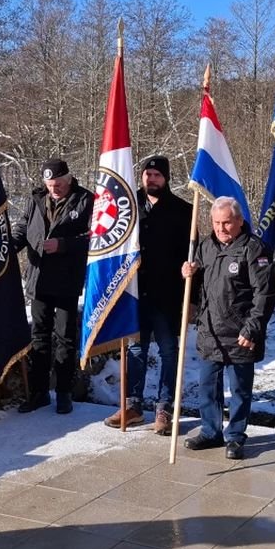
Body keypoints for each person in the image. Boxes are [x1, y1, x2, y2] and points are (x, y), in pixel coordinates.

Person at [181, 197, 275, 460]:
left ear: (239, 221)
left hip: (240, 332)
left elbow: (265, 294)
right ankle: (211, 431)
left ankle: (235, 436)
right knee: (208, 386)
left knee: (239, 389)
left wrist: (253, 328)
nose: (221, 228)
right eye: (216, 223)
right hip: (210, 330)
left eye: (226, 223)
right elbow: (199, 282)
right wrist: (189, 271)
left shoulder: (254, 249)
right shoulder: (206, 246)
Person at [103, 155, 193, 434]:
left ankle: (164, 407)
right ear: (140, 177)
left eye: (157, 175)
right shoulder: (126, 208)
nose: (151, 179)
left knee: (168, 351)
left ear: (165, 178)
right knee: (135, 350)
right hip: (134, 294)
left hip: (168, 295)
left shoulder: (183, 210)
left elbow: (193, 255)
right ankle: (133, 405)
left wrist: (193, 293)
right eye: (147, 174)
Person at [11, 157, 93, 414]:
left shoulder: (85, 200)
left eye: (58, 184)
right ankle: (38, 392)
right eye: (50, 184)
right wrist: (9, 246)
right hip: (39, 277)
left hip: (67, 279)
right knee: (38, 337)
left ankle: (64, 393)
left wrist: (64, 245)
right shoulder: (35, 199)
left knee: (66, 338)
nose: (54, 188)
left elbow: (96, 238)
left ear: (68, 179)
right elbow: (23, 228)